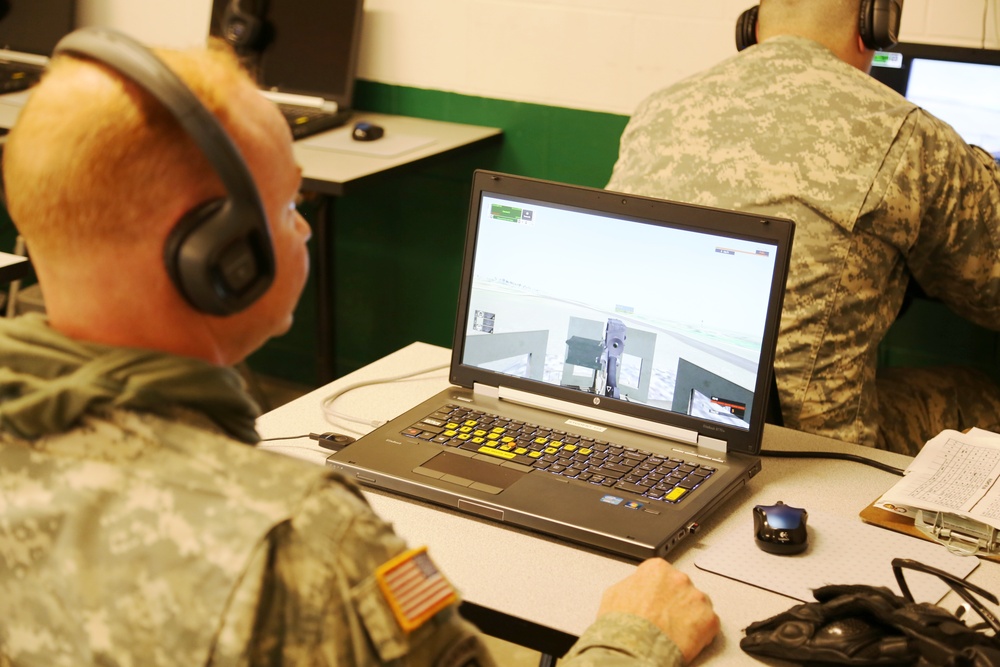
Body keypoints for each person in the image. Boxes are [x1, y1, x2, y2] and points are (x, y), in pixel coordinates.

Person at [0, 30, 719, 666]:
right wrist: (633, 637)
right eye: (287, 209)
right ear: (219, 258)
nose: (305, 230)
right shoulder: (312, 545)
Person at [606, 0, 1000, 455]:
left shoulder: (659, 109)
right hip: (799, 448)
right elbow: (989, 291)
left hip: (649, 418)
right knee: (975, 394)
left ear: (751, 27)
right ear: (873, 26)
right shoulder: (907, 133)